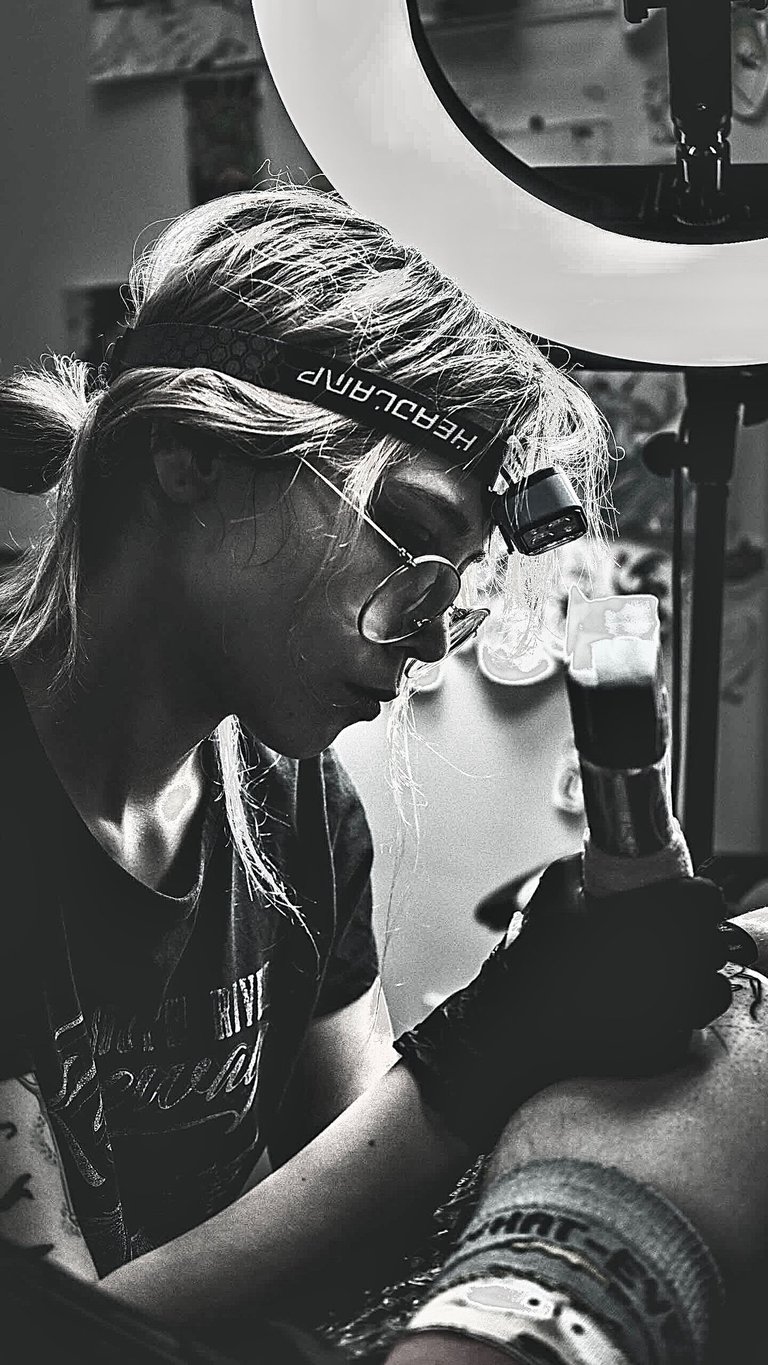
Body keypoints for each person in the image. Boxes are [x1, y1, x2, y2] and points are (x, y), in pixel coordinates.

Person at [0, 185, 752, 1350]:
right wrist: (478, 1058)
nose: (427, 634)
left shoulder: (294, 802)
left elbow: (354, 1204)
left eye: (457, 589)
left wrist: (551, 1041)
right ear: (188, 456)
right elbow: (58, 1336)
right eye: (408, 538)